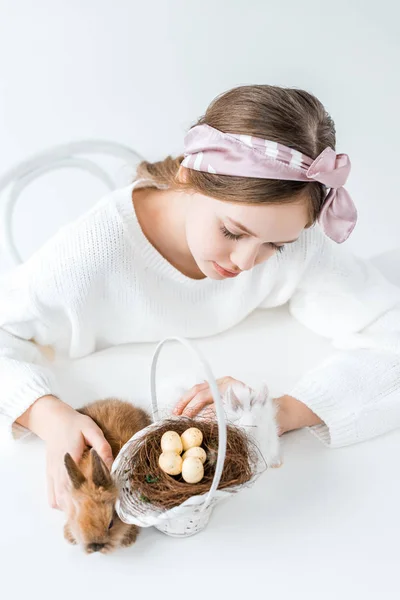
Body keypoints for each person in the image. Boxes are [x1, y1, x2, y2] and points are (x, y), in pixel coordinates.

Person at [1, 85, 399, 511]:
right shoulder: (93, 254)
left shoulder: (294, 236)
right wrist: (47, 414)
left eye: (275, 246)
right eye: (232, 232)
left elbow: (389, 330)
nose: (247, 261)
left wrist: (278, 414)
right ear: (188, 179)